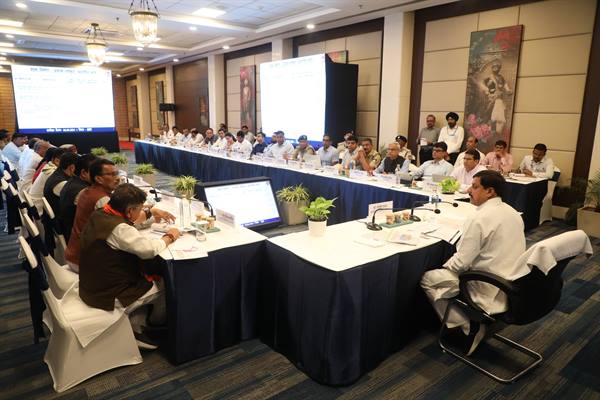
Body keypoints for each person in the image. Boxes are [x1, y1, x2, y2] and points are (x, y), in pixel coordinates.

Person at [421, 171, 526, 355]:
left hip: (485, 284)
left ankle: (467, 325)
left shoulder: (478, 218)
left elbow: (461, 263)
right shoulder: (513, 212)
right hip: (512, 283)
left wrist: (443, 267)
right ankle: (470, 320)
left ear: (490, 191)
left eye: (475, 187)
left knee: (428, 278)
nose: (469, 190)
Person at [78, 184, 181, 349]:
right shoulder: (119, 229)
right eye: (140, 209)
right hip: (108, 293)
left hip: (91, 282)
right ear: (129, 210)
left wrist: (150, 213)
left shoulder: (101, 213)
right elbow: (148, 250)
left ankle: (136, 321)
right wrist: (170, 236)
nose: (142, 211)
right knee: (166, 285)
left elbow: (127, 223)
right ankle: (155, 326)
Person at [65, 159, 121, 272]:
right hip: (84, 261)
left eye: (117, 173)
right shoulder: (102, 199)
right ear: (98, 179)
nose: (118, 178)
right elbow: (120, 227)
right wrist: (148, 214)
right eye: (111, 174)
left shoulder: (87, 191)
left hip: (74, 253)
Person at [59, 154, 97, 242]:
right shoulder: (83, 191)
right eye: (97, 172)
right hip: (78, 240)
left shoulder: (72, 181)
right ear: (83, 173)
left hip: (69, 231)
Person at [29, 148, 67, 213]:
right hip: (38, 208)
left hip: (34, 204)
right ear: (57, 161)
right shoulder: (53, 172)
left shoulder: (47, 165)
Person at [480, 59, 512, 135]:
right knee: (489, 113)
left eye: (497, 67)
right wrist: (487, 90)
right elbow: (482, 84)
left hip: (499, 99)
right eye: (494, 67)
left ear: (499, 68)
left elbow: (505, 85)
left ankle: (497, 132)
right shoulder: (489, 77)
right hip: (490, 98)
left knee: (498, 116)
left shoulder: (501, 77)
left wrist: (508, 90)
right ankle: (487, 130)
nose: (495, 68)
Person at [44, 152, 79, 218]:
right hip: (58, 220)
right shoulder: (62, 183)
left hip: (52, 218)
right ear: (72, 167)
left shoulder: (57, 173)